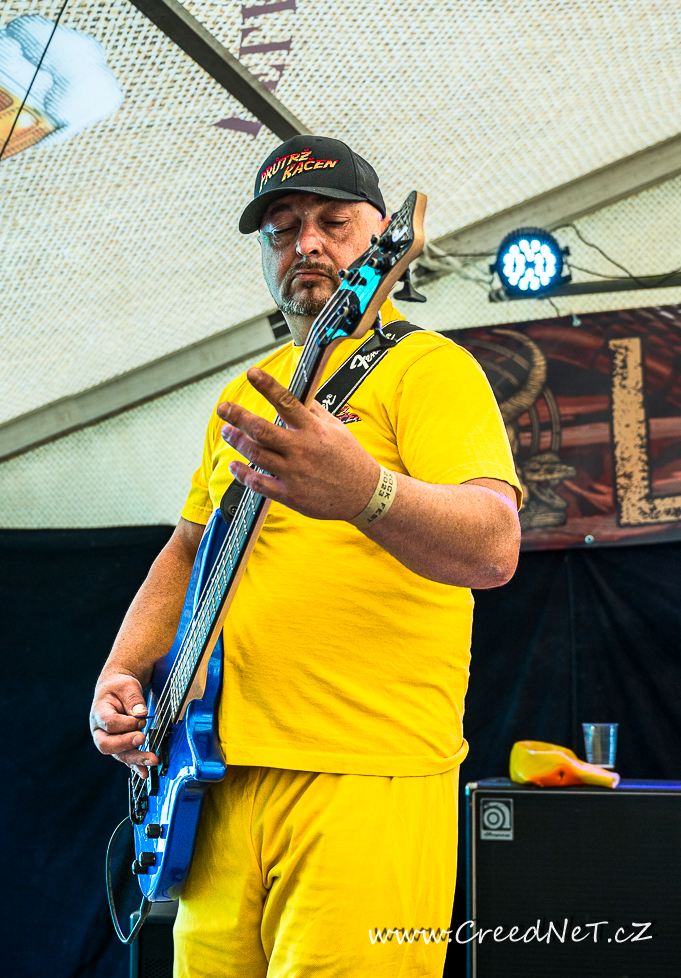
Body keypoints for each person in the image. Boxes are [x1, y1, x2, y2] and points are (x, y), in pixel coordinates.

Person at [90, 135, 521, 978]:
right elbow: (188, 547)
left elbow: (494, 546)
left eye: (332, 222)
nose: (307, 243)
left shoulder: (429, 370)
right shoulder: (246, 392)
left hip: (367, 774)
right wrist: (122, 669)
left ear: (380, 239)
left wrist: (366, 492)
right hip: (211, 781)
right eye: (283, 229)